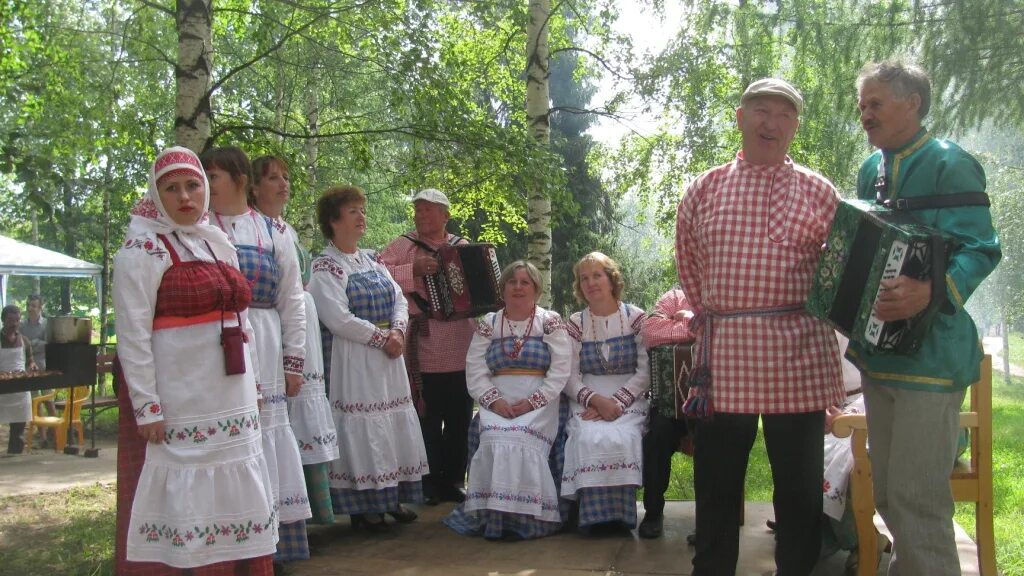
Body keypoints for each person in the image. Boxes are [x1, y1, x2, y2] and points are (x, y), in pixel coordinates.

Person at [675, 78, 844, 575]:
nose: (772, 123)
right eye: (762, 111)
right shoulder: (704, 188)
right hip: (725, 355)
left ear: (795, 126)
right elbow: (689, 264)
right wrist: (725, 315)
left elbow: (840, 273)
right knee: (716, 484)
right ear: (740, 116)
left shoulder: (820, 191)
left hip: (800, 356)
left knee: (798, 489)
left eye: (785, 115)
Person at [848, 60, 1001, 576]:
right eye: (862, 104)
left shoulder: (951, 162)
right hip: (879, 355)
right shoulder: (873, 168)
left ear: (912, 102)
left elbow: (981, 249)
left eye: (876, 103)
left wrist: (929, 293)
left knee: (917, 501)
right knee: (891, 496)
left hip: (932, 358)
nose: (864, 113)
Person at [112, 146, 277, 574]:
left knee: (237, 493)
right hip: (183, 396)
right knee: (191, 501)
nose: (185, 196)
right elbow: (132, 336)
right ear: (156, 193)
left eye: (193, 185)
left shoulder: (217, 244)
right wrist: (147, 406)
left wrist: (255, 385)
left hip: (231, 394)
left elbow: (245, 324)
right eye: (172, 188)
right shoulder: (141, 250)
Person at [201, 147, 311, 566]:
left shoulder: (271, 232)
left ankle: (269, 549)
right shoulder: (197, 228)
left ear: (239, 179)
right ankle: (225, 541)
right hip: (211, 345)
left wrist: (293, 360)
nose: (206, 184)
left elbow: (293, 300)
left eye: (213, 175)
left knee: (265, 436)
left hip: (264, 341)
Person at [307, 185, 428, 533]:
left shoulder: (372, 259)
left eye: (362, 210)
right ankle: (364, 505)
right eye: (353, 211)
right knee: (362, 425)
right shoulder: (326, 266)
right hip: (354, 359)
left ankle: (391, 498)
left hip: (388, 359)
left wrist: (399, 332)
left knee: (390, 423)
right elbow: (337, 318)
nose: (362, 217)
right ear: (333, 221)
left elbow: (399, 299)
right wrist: (381, 338)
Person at [443, 260, 572, 541]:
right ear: (503, 289)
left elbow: (561, 369)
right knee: (492, 434)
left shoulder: (549, 321)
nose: (517, 287)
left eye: (525, 282)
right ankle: (495, 516)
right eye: (512, 282)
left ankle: (528, 518)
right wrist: (493, 401)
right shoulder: (489, 323)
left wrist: (533, 401)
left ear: (536, 290)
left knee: (523, 436)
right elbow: (475, 368)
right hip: (499, 399)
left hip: (539, 399)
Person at [252, 155, 339, 529]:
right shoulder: (245, 228)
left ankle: (291, 527)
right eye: (273, 178)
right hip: (258, 333)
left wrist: (295, 358)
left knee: (288, 426)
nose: (283, 183)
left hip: (288, 334)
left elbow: (293, 296)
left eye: (286, 177)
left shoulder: (285, 231)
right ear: (253, 187)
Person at [379, 188, 476, 505]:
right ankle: (428, 483)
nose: (421, 215)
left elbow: (479, 285)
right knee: (426, 418)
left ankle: (453, 481)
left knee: (460, 420)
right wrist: (412, 271)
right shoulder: (403, 244)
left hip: (461, 344)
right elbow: (375, 273)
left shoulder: (462, 248)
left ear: (445, 215)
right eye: (418, 210)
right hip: (422, 346)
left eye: (428, 210)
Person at [562, 252, 649, 534]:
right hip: (587, 395)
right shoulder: (576, 323)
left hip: (629, 395)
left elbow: (645, 371)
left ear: (612, 280)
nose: (591, 283)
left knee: (624, 436)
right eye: (584, 278)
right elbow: (568, 375)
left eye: (597, 275)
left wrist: (618, 402)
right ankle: (591, 518)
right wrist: (597, 401)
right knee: (588, 436)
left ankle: (621, 518)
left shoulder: (635, 317)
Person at [637, 286, 695, 540]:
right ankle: (653, 512)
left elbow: (723, 334)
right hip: (671, 405)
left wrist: (683, 320)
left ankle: (711, 520)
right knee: (656, 437)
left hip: (713, 408)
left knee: (715, 442)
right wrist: (694, 327)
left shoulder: (725, 292)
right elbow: (650, 332)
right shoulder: (674, 297)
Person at [20, 294, 54, 446]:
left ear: (40, 308)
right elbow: (20, 342)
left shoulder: (46, 324)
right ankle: (43, 437)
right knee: (35, 402)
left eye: (34, 305)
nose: (30, 308)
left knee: (48, 399)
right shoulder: (22, 325)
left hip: (44, 364)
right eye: (29, 305)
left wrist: (31, 343)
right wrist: (31, 345)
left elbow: (48, 343)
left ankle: (56, 433)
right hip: (29, 365)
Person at [1, 304, 36, 455]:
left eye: (16, 320)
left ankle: (15, 454)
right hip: (2, 389)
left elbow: (30, 361)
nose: (14, 323)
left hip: (20, 389)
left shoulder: (25, 341)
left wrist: (32, 366)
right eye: (10, 320)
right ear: (3, 320)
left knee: (18, 428)